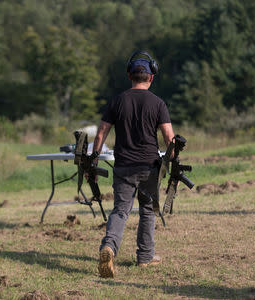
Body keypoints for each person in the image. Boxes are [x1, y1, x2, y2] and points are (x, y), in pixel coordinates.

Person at [90, 50, 175, 278]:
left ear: (130, 75)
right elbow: (169, 138)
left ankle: (109, 247)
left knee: (120, 211)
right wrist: (173, 160)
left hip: (124, 166)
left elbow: (100, 135)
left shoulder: (117, 101)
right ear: (151, 77)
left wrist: (94, 162)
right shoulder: (158, 103)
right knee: (148, 211)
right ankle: (145, 257)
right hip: (149, 166)